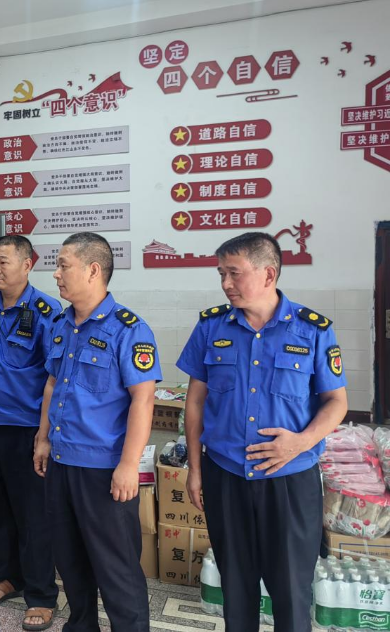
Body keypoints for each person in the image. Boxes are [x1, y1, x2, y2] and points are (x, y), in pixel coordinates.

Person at [177, 232, 348, 632]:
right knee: (236, 585)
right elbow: (195, 402)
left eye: (234, 273)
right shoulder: (211, 326)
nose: (225, 283)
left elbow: (336, 402)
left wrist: (301, 442)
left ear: (268, 274)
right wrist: (195, 470)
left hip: (289, 480)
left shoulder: (312, 330)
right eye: (221, 273)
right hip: (226, 475)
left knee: (291, 588)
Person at [34, 232, 159, 632]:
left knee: (116, 567)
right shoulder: (61, 325)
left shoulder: (128, 330)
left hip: (104, 470)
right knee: (69, 559)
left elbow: (143, 400)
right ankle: (81, 625)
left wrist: (128, 465)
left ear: (92, 270)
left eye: (63, 265)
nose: (56, 274)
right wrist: (43, 438)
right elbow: (52, 384)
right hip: (61, 461)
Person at [0, 235, 60, 631]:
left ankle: (41, 594)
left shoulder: (46, 311)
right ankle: (8, 578)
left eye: (3, 261)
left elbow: (54, 376)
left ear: (27, 264)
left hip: (25, 431)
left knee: (33, 516)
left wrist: (44, 435)